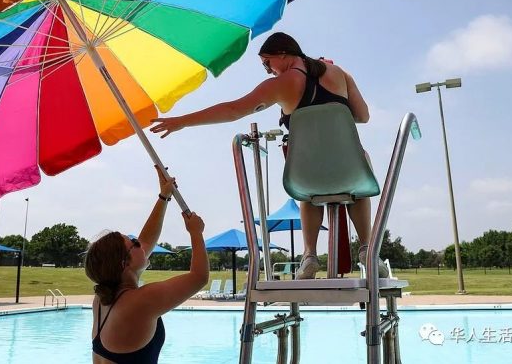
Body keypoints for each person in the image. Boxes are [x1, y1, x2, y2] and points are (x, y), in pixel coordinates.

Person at [150, 32, 388, 279]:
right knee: (359, 169)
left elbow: (233, 110)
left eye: (267, 63)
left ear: (282, 54)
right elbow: (363, 116)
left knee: (306, 189)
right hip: (350, 170)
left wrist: (183, 122)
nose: (268, 71)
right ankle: (367, 248)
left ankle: (309, 256)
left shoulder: (283, 84)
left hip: (307, 175)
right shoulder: (340, 73)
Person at [84, 167, 209, 364]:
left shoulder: (102, 300)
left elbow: (146, 241)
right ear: (124, 263)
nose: (139, 243)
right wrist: (196, 232)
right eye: (133, 243)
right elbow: (198, 277)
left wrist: (163, 196)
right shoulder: (140, 301)